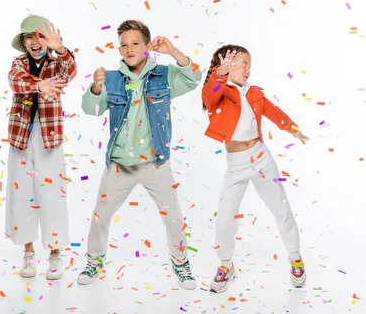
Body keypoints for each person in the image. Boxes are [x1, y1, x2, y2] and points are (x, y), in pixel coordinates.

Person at [78, 19, 201, 289]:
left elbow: (193, 78)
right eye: (124, 44)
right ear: (119, 50)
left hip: (155, 162)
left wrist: (174, 52)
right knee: (100, 215)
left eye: (135, 43)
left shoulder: (163, 75)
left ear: (147, 47)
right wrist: (97, 88)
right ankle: (94, 260)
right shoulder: (111, 78)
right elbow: (92, 109)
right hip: (120, 165)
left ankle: (181, 261)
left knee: (173, 216)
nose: (129, 48)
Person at [201, 45, 308, 292]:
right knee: (225, 219)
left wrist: (292, 128)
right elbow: (209, 96)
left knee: (281, 208)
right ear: (226, 64)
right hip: (236, 166)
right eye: (243, 63)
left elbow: (274, 112)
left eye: (249, 64)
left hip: (262, 159)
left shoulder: (255, 92)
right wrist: (220, 74)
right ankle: (226, 266)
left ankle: (296, 257)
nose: (248, 69)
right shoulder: (219, 92)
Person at [5, 15, 77, 280]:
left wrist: (60, 48)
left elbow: (69, 71)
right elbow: (16, 82)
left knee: (51, 195)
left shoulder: (57, 63)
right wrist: (39, 85)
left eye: (40, 37)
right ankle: (28, 254)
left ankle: (55, 255)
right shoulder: (18, 63)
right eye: (29, 37)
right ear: (23, 43)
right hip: (21, 138)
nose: (35, 42)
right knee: (22, 195)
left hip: (50, 139)